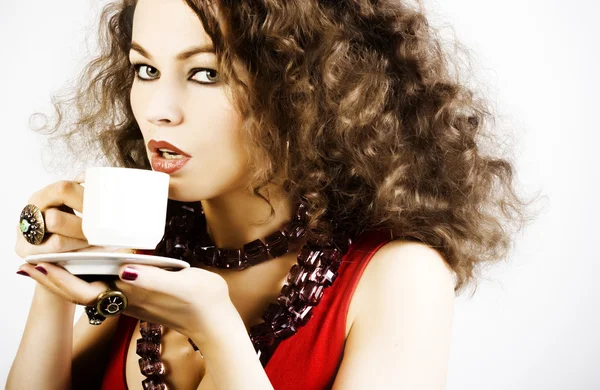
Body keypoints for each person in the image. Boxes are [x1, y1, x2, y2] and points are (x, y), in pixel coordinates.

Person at [7, 0, 536, 389]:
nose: (158, 109)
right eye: (145, 69)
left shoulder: (397, 276)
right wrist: (55, 275)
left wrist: (215, 326)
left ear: (308, 91)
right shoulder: (146, 255)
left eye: (205, 73)